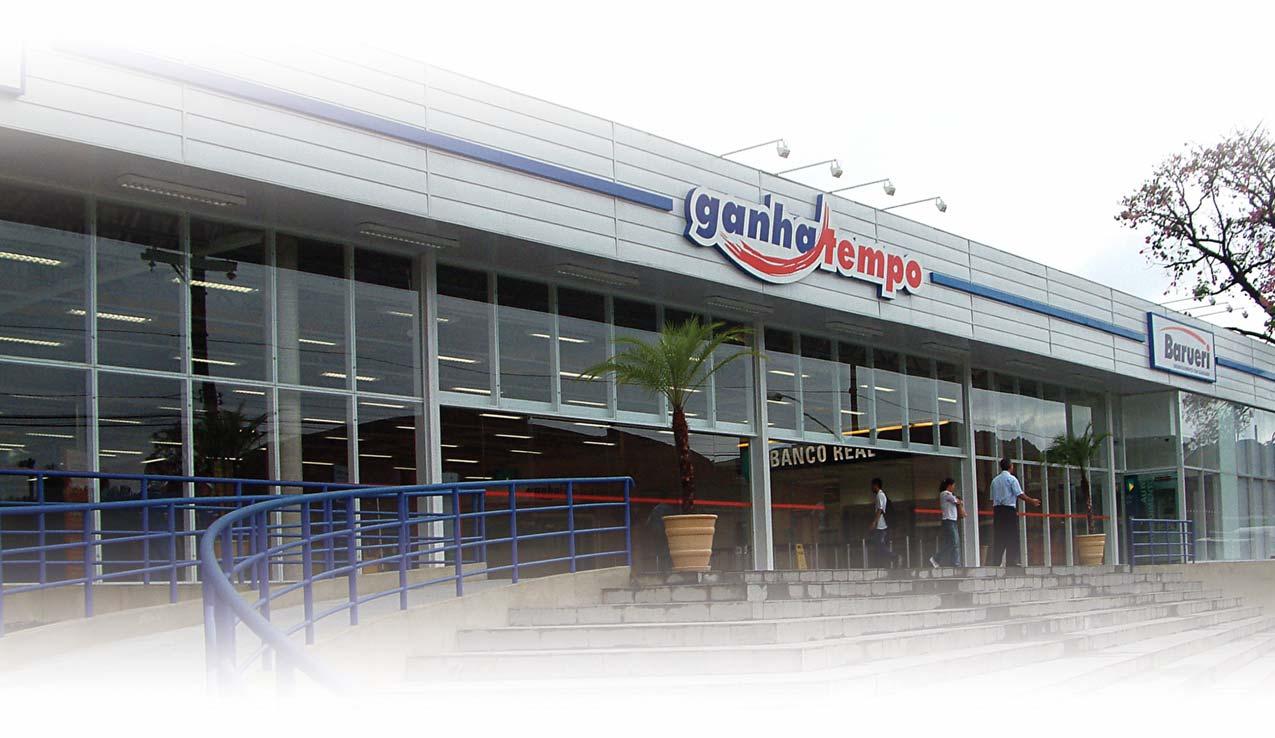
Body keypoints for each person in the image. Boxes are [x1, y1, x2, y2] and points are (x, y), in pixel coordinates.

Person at [988, 458, 1040, 567]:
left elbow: (992, 498)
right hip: (1009, 510)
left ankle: (996, 562)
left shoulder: (994, 481)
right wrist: (1032, 501)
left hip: (998, 510)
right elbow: (1019, 494)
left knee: (999, 536)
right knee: (1012, 536)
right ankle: (1011, 561)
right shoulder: (1011, 479)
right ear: (1010, 466)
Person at [930, 478, 964, 567]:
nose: (954, 488)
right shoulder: (945, 494)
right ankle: (937, 558)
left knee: (954, 543)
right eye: (953, 486)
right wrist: (959, 501)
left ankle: (954, 562)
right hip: (948, 521)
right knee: (953, 543)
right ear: (949, 485)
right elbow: (956, 501)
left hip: (953, 521)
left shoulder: (949, 494)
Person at [866, 478, 897, 568]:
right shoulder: (880, 495)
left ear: (876, 485)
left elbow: (880, 510)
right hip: (880, 525)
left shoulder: (880, 495)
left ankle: (894, 556)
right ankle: (886, 562)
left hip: (881, 526)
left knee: (878, 543)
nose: (871, 488)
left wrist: (874, 522)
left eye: (872, 486)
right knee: (878, 544)